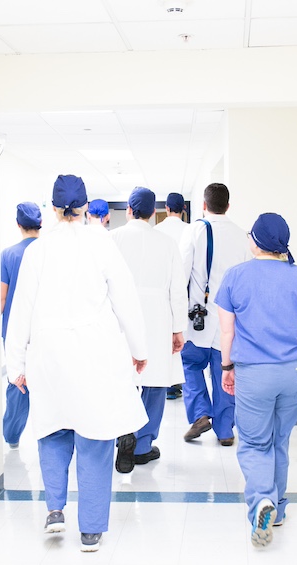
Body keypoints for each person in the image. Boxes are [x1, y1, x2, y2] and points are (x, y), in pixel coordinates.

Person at [5, 174, 149, 553]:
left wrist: (15, 363)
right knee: (96, 438)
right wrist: (139, 349)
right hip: (95, 354)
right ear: (86, 207)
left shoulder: (38, 250)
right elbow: (126, 300)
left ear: (53, 209)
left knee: (52, 431)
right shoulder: (102, 244)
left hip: (49, 356)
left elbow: (21, 310)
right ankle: (90, 530)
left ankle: (55, 511)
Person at [215, 212, 297, 548]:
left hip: (255, 376)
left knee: (254, 444)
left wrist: (226, 368)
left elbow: (226, 331)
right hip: (294, 375)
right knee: (279, 442)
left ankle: (261, 500)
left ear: (256, 241)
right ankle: (277, 509)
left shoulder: (235, 276)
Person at [110, 187, 187, 473]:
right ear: (155, 213)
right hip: (157, 317)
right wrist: (178, 329)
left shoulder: (112, 239)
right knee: (155, 381)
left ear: (129, 211)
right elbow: (178, 290)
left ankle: (122, 432)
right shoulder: (167, 243)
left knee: (122, 377)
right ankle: (142, 445)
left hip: (120, 317)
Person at [178, 183, 252, 446]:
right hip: (230, 323)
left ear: (204, 205)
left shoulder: (195, 230)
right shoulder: (243, 236)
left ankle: (200, 414)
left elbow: (181, 274)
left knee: (189, 366)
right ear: (228, 206)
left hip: (197, 320)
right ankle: (225, 431)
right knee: (226, 372)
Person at [0, 202, 41, 449]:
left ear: (18, 225)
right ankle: (51, 434)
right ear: (41, 224)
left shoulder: (8, 254)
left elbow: (2, 299)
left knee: (18, 380)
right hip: (43, 327)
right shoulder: (49, 251)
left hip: (15, 327)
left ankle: (12, 435)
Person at [155, 192, 189, 401]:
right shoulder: (191, 230)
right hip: (183, 290)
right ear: (183, 209)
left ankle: (167, 384)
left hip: (161, 291)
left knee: (163, 337)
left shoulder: (156, 231)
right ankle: (179, 382)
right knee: (181, 337)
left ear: (166, 208)